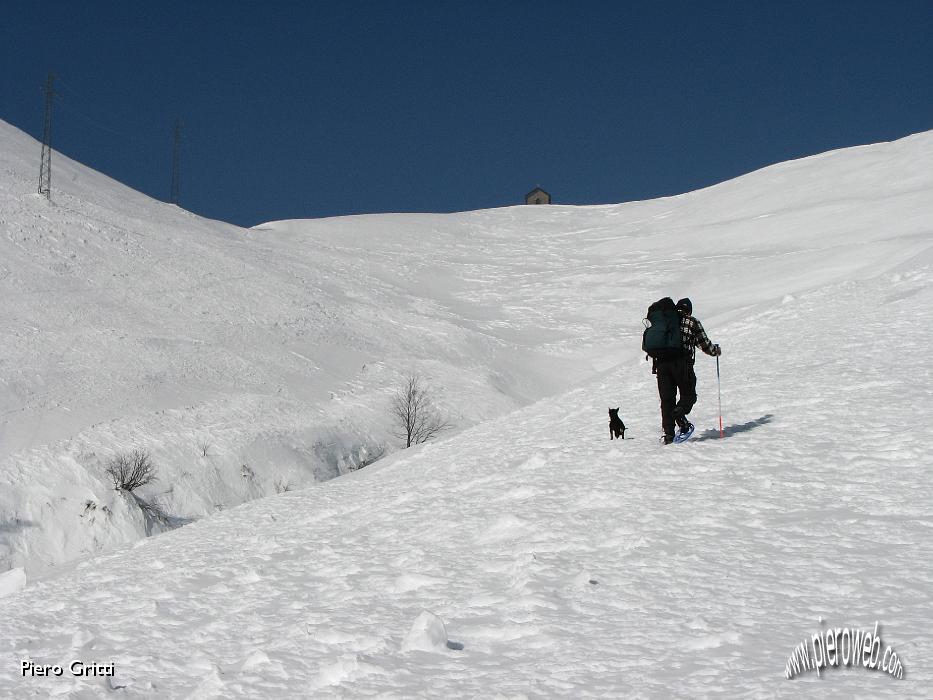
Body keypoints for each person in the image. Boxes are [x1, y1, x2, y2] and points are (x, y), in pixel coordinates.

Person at [654, 297, 720, 444]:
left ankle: (668, 435)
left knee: (667, 400)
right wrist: (716, 350)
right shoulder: (692, 322)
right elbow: (705, 345)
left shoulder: (664, 321)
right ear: (689, 310)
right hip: (682, 363)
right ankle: (679, 413)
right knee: (689, 395)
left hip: (661, 365)